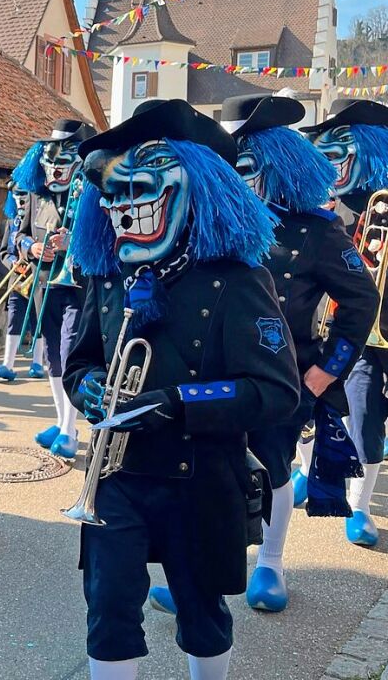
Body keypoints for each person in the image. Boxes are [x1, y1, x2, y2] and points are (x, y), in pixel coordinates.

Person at [63, 99, 299, 680]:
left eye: (141, 185)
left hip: (201, 475)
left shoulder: (240, 281)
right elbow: (80, 362)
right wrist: (89, 388)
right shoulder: (110, 275)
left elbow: (276, 391)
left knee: (201, 609)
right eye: (112, 194)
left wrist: (175, 404)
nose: (123, 204)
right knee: (108, 608)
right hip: (118, 479)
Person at [148, 94, 377, 616]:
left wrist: (325, 372)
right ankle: (196, 578)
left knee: (272, 469)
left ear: (274, 161)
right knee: (206, 471)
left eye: (244, 163)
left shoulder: (317, 231)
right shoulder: (206, 222)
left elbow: (362, 298)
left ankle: (270, 564)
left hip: (284, 375)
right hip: (210, 372)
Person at [301, 98, 388, 546]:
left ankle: (361, 502)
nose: (332, 167)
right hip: (328, 326)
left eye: (342, 156)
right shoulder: (322, 206)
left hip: (378, 332)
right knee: (316, 407)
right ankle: (306, 470)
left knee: (366, 420)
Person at [13, 118, 96, 459]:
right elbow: (18, 235)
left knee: (67, 350)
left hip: (78, 286)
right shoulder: (36, 194)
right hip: (45, 282)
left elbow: (104, 241)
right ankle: (64, 422)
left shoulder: (94, 193)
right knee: (51, 357)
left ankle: (69, 429)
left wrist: (72, 244)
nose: (57, 169)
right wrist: (32, 246)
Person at [0, 182, 40, 381]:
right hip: (17, 280)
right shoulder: (11, 223)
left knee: (38, 321)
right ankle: (7, 364)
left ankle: (37, 362)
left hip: (37, 278)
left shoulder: (38, 220)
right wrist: (13, 264)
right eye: (16, 194)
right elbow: (4, 253)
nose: (20, 198)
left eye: (23, 194)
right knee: (14, 319)